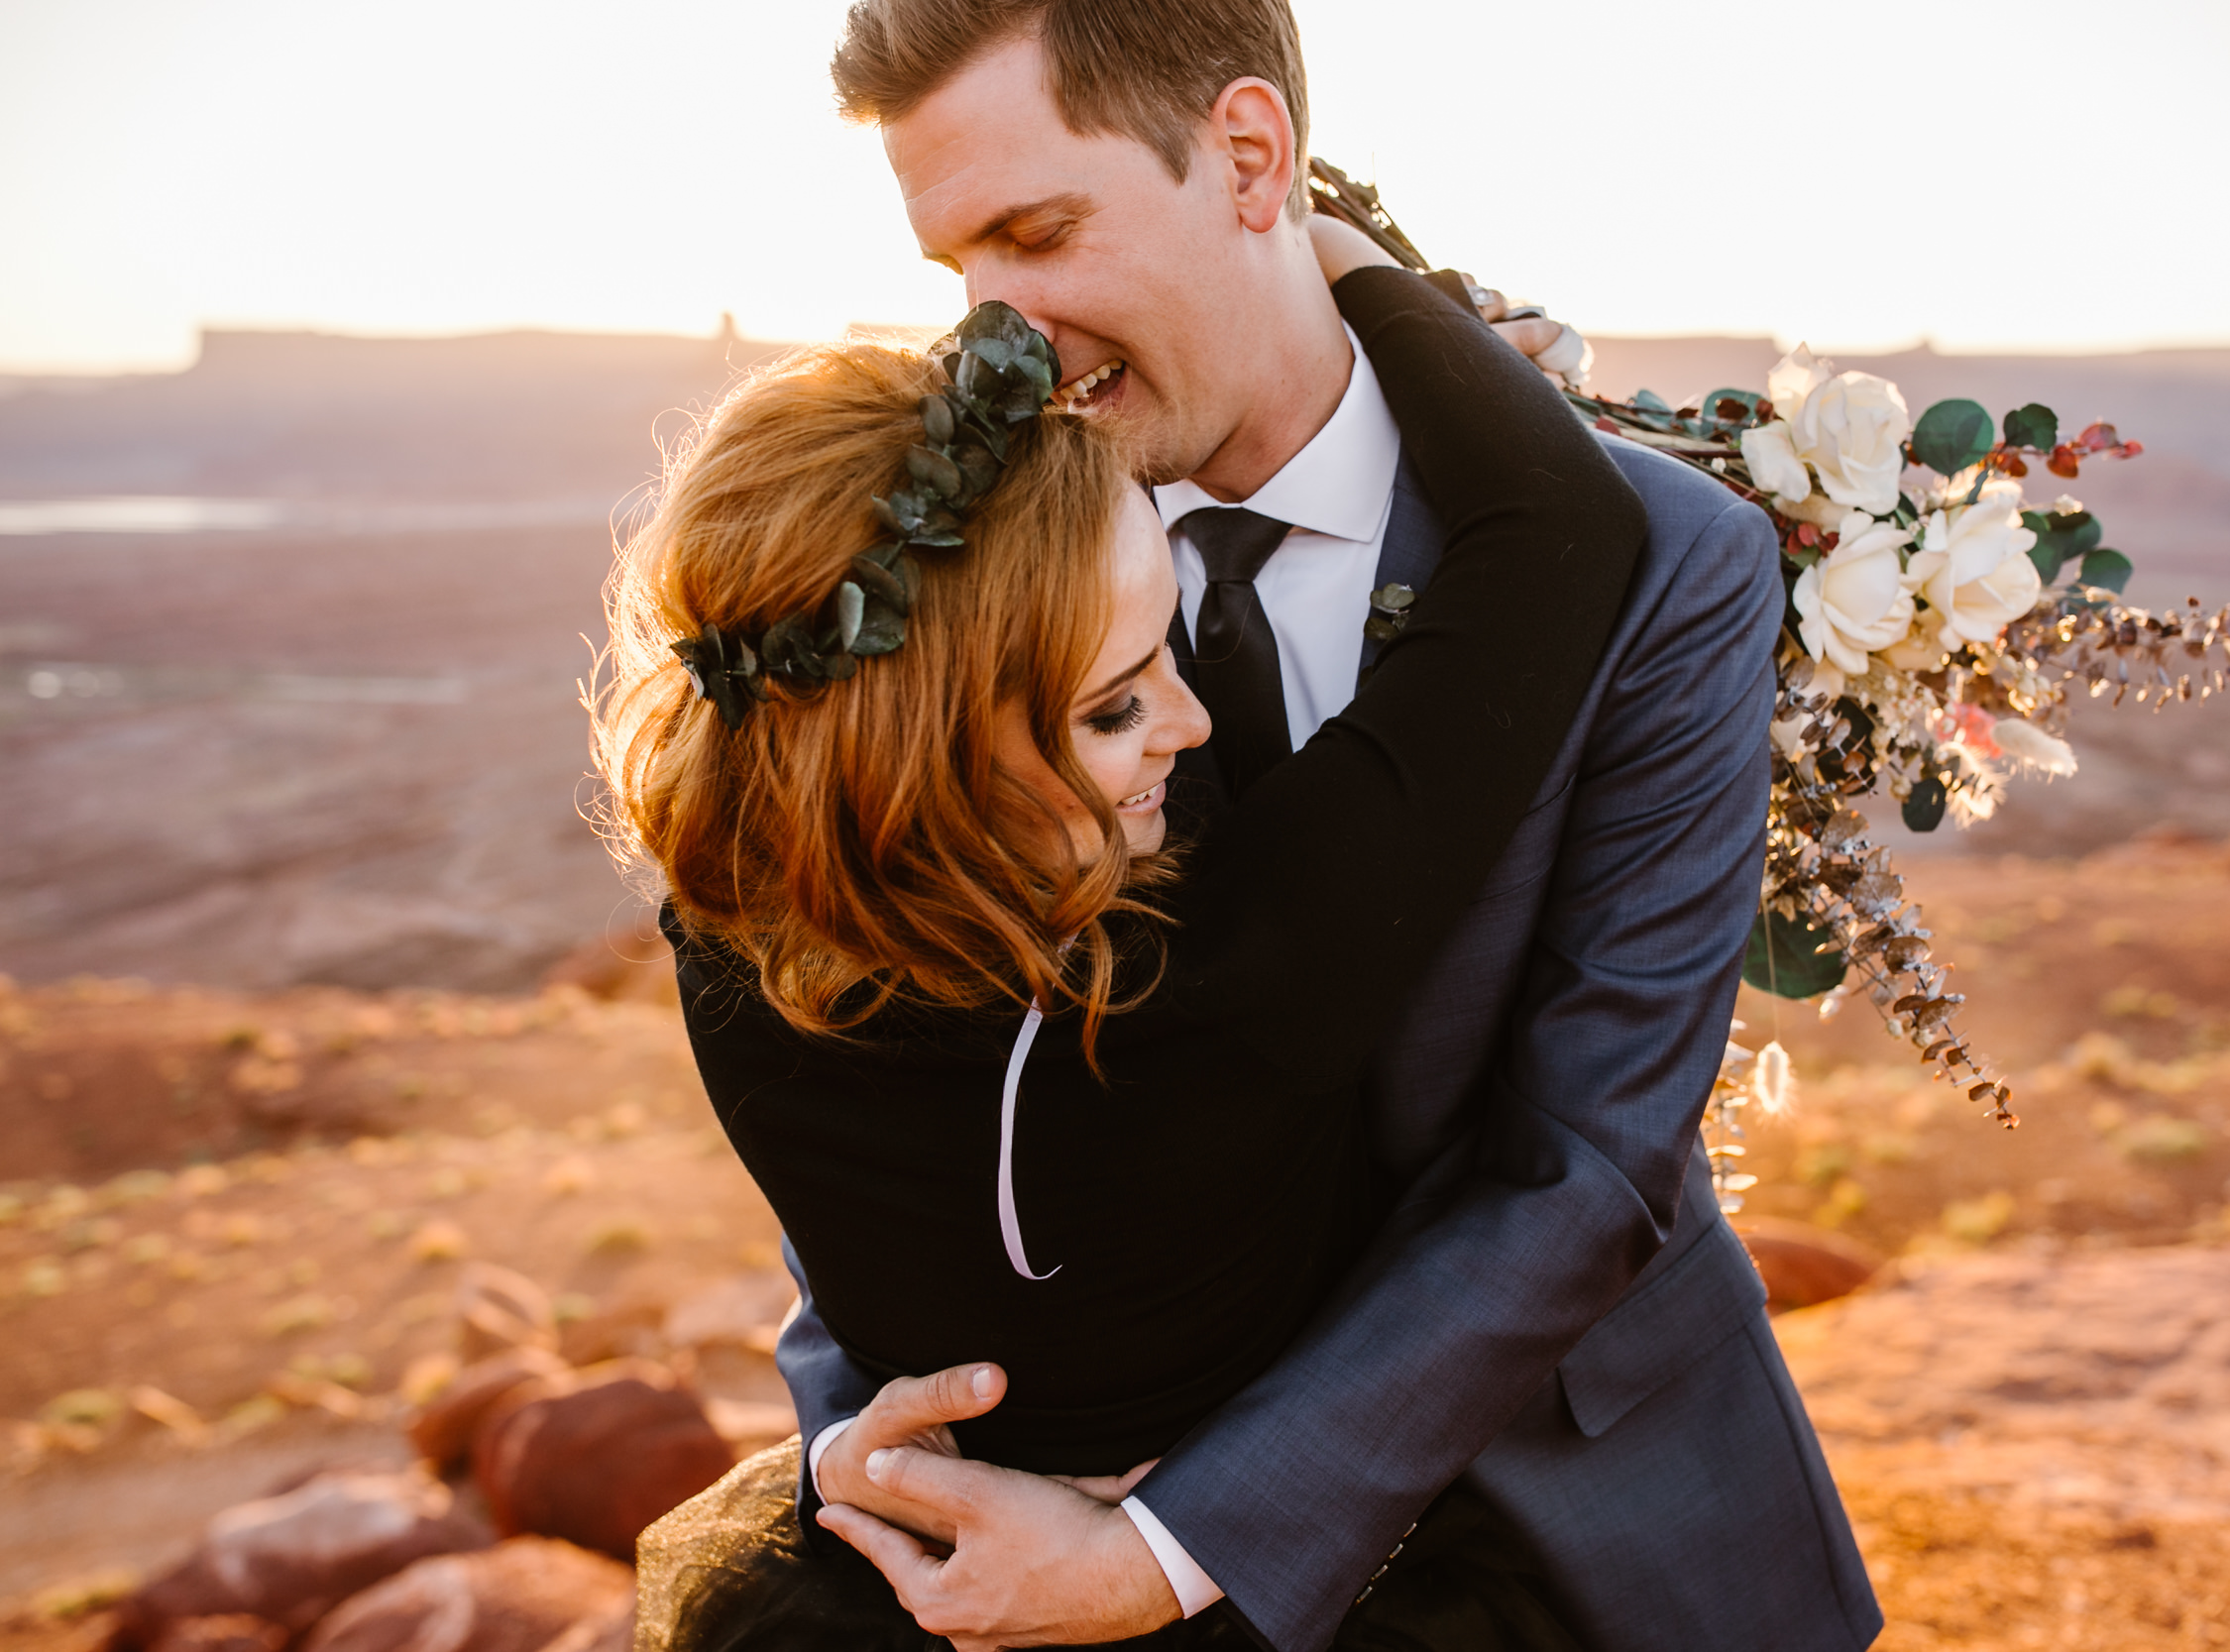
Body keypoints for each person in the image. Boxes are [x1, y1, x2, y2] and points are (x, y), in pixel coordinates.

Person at [726, 4, 1881, 1651]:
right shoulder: (962, 560)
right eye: (956, 269)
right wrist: (864, 1428)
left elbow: (1593, 1153)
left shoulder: (1663, 561)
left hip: (1575, 1514)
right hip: (1064, 1493)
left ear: (1252, 159)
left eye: (1038, 234)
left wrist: (1177, 1547)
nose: (998, 335)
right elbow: (868, 1024)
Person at [604, 238, 1650, 1649]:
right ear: (937, 760)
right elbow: (1557, 526)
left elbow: (919, 577)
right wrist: (1324, 247)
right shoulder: (1230, 976)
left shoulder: (725, 927)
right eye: (1114, 706)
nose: (1194, 720)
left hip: (897, 1582)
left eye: (1173, 641)